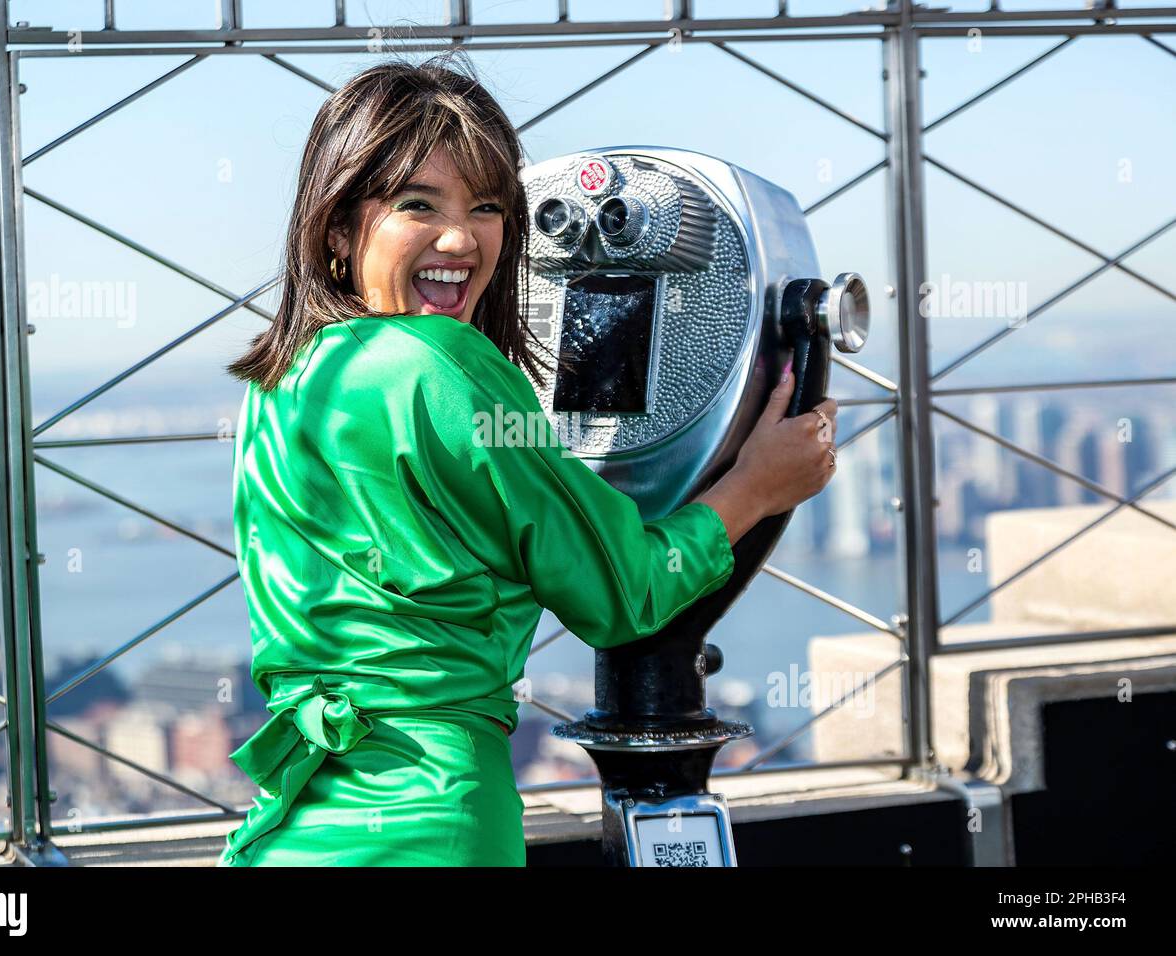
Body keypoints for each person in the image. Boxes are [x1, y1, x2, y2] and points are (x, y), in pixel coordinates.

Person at [216, 52, 838, 867]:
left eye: (487, 207)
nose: (460, 239)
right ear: (338, 227)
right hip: (430, 820)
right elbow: (626, 593)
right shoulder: (444, 364)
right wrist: (758, 485)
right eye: (418, 205)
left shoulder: (283, 380)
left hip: (295, 817)